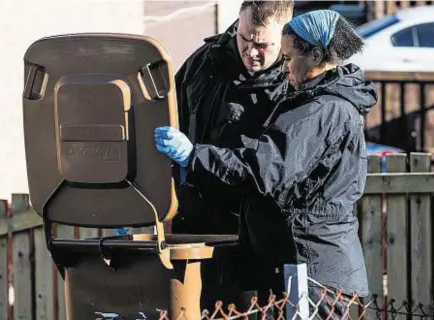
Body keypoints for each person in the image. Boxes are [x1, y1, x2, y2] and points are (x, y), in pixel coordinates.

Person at [155, 9, 376, 318]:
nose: (283, 69)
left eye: (286, 58)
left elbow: (262, 172)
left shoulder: (320, 110)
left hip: (312, 273)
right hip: (307, 267)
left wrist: (193, 156)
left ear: (314, 55)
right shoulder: (317, 102)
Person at [172, 0, 294, 235]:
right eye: (245, 38)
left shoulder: (294, 84)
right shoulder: (206, 60)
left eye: (262, 44)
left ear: (285, 38)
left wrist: (194, 156)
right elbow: (169, 113)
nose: (251, 51)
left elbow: (272, 167)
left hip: (256, 231)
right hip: (193, 218)